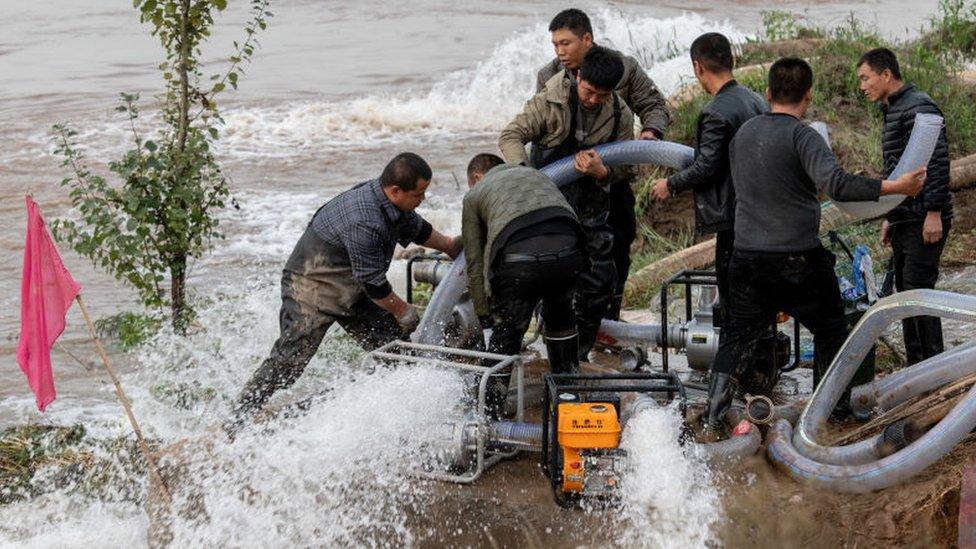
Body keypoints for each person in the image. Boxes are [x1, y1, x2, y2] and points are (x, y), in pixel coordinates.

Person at [703, 58, 927, 430]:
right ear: (808, 96)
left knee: (735, 338)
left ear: (768, 93)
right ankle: (829, 417)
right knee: (831, 331)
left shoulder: (743, 135)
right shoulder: (803, 136)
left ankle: (712, 417)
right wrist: (897, 187)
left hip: (745, 259)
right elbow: (837, 184)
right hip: (796, 259)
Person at [229, 153, 461, 430]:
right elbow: (374, 283)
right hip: (312, 287)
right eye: (419, 194)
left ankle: (399, 413)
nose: (422, 199)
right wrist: (404, 310)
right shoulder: (365, 220)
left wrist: (448, 245)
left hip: (351, 285)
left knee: (395, 350)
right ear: (396, 190)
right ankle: (239, 418)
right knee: (289, 362)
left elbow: (416, 227)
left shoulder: (391, 202)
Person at [499, 45, 635, 361]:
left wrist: (603, 170)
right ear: (578, 76)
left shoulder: (620, 114)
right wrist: (526, 176)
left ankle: (576, 355)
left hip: (591, 209)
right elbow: (511, 136)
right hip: (547, 205)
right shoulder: (549, 102)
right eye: (589, 91)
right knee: (534, 278)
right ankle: (514, 350)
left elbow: (629, 164)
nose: (593, 100)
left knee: (598, 281)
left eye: (602, 95)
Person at [536, 8, 670, 319]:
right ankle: (558, 320)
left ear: (587, 39)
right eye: (555, 44)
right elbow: (539, 125)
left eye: (566, 43)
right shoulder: (549, 76)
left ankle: (608, 321)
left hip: (613, 178)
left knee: (618, 247)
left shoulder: (624, 68)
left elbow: (653, 103)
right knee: (561, 251)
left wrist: (650, 133)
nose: (560, 51)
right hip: (566, 181)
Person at [649, 32, 767, 320]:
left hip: (732, 215)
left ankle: (734, 358)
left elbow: (706, 166)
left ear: (697, 67)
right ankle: (761, 358)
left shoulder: (715, 111)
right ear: (732, 60)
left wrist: (670, 184)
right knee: (755, 293)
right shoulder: (755, 100)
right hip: (759, 209)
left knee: (732, 293)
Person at [461, 154, 584, 416]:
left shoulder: (474, 195)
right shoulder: (538, 174)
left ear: (477, 177)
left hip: (521, 262)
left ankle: (488, 421)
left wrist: (485, 318)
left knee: (508, 334)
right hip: (571, 249)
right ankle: (568, 404)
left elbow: (474, 263)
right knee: (561, 323)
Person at [857, 47, 953, 365]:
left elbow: (936, 163)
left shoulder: (918, 107)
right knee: (904, 294)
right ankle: (917, 367)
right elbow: (900, 171)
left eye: (866, 78)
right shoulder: (893, 109)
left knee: (918, 293)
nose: (862, 86)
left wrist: (935, 212)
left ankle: (934, 368)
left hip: (925, 217)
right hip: (906, 218)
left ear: (886, 75)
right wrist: (892, 217)